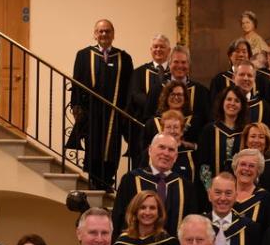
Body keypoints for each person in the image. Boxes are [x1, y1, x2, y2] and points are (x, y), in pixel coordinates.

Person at [67, 19, 134, 189]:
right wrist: (76, 107)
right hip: (91, 112)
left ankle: (107, 179)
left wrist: (127, 112)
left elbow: (129, 87)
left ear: (113, 34)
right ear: (95, 34)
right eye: (100, 31)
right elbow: (77, 82)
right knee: (93, 145)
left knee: (112, 148)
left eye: (107, 31)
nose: (104, 34)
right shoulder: (83, 55)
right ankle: (94, 179)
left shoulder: (124, 58)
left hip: (114, 113)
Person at [111, 133, 202, 238]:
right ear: (150, 150)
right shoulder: (131, 180)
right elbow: (118, 218)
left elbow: (191, 224)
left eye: (171, 150)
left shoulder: (186, 187)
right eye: (161, 147)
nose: (166, 153)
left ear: (176, 156)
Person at [206, 172, 260, 245]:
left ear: (236, 196)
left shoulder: (250, 229)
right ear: (209, 195)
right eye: (218, 192)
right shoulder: (199, 225)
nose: (223, 198)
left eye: (228, 193)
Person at [127, 33, 171, 161]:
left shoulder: (174, 73)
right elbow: (135, 95)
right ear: (151, 50)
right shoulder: (139, 72)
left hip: (169, 126)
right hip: (144, 127)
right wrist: (158, 106)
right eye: (155, 47)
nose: (158, 50)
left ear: (169, 50)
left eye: (162, 47)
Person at [141, 81, 201, 173]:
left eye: (180, 95)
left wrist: (188, 145)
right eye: (172, 94)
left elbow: (201, 148)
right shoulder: (152, 123)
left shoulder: (195, 122)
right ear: (166, 97)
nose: (176, 97)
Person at [198, 84, 248, 190]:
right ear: (222, 102)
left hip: (239, 191)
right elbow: (203, 165)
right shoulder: (209, 130)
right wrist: (209, 189)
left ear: (242, 105)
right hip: (212, 191)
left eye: (237, 101)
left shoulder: (246, 132)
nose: (232, 103)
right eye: (229, 99)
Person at [231, 148, 270, 231]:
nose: (246, 169)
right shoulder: (223, 195)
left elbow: (268, 235)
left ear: (258, 171)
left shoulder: (267, 199)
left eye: (252, 166)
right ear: (235, 168)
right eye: (243, 164)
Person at [209, 38, 266, 104]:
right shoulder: (219, 80)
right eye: (237, 51)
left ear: (249, 56)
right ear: (230, 56)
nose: (241, 55)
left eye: (244, 52)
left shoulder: (261, 79)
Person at [240, 121, 270, 200]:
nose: (256, 140)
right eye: (253, 136)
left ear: (266, 142)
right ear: (246, 141)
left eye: (261, 137)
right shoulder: (237, 163)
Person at [233, 60, 270, 125]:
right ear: (233, 78)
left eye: (249, 75)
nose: (246, 78)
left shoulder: (263, 107)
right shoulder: (225, 103)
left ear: (254, 79)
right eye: (242, 74)